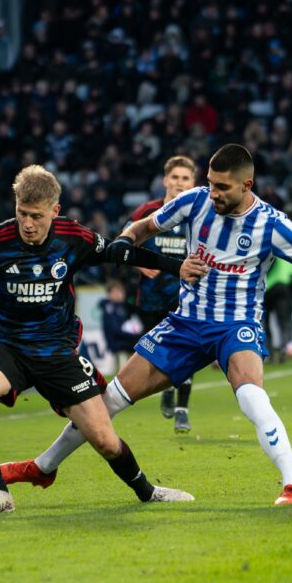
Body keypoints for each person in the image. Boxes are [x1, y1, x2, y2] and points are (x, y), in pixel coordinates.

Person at [1, 145, 292, 506]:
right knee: (108, 403)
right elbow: (145, 226)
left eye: (222, 187)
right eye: (210, 184)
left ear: (247, 184)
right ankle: (43, 466)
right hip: (185, 323)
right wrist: (127, 240)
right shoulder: (195, 202)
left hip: (235, 326)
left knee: (251, 394)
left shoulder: (273, 223)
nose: (212, 193)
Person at [0, 165, 200, 515]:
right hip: (7, 348)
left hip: (57, 353)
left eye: (37, 216)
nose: (28, 223)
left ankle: (148, 492)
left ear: (54, 211)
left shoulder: (73, 237)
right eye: (22, 213)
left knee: (104, 440)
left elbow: (119, 252)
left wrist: (177, 267)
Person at [127, 155, 196, 431]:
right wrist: (138, 264)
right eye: (175, 177)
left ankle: (182, 410)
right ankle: (167, 388)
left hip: (186, 298)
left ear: (194, 183)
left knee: (189, 351)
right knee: (157, 354)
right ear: (165, 180)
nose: (180, 183)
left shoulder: (197, 213)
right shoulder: (147, 211)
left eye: (186, 178)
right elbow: (123, 242)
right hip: (151, 298)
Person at [99, 281, 138, 373]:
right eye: (116, 292)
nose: (119, 294)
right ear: (110, 294)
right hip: (117, 343)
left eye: (121, 291)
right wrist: (133, 335)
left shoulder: (122, 307)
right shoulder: (109, 309)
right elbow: (115, 330)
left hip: (124, 340)